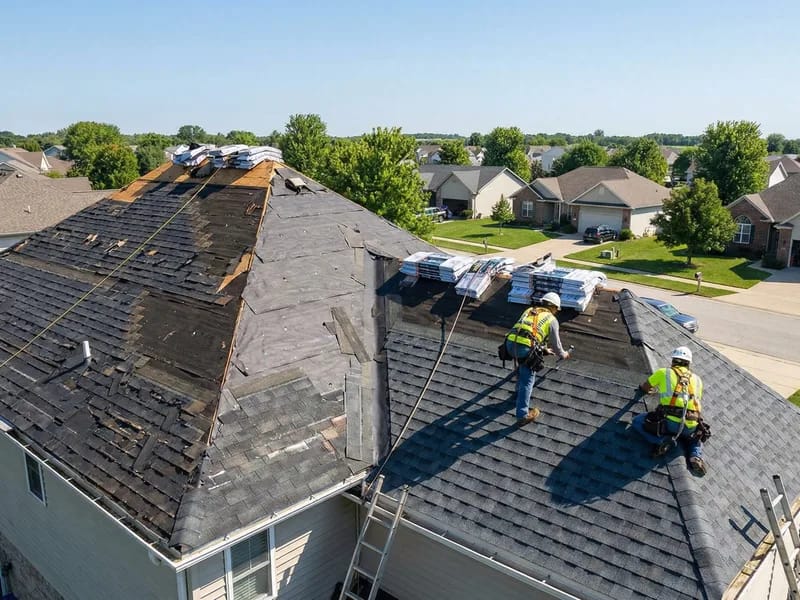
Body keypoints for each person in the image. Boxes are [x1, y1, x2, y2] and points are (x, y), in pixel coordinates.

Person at [631, 346, 709, 476]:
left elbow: (645, 387)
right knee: (695, 438)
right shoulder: (698, 380)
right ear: (688, 363)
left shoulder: (663, 373)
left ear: (673, 361)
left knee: (637, 422)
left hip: (669, 424)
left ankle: (662, 441)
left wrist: (650, 390)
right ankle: (695, 456)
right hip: (691, 424)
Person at [504, 292, 569, 425]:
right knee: (528, 380)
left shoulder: (530, 310)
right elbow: (557, 346)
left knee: (521, 364)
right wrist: (563, 354)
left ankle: (518, 391)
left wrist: (544, 349)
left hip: (509, 344)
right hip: (524, 347)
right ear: (555, 307)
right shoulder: (552, 320)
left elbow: (530, 331)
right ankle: (522, 415)